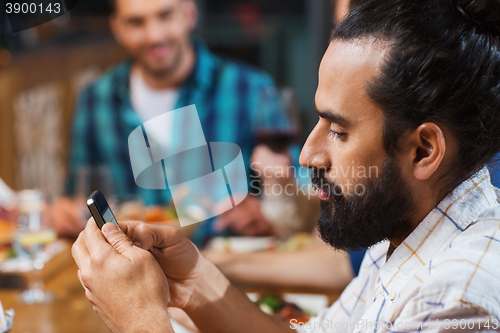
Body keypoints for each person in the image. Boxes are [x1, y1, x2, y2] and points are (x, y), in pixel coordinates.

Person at [72, 0, 500, 332]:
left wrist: (140, 321)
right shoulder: (406, 229)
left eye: (338, 130)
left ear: (424, 151)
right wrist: (195, 278)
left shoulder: (454, 297)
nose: (307, 155)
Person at [54, 0, 313, 242]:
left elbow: (299, 191)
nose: (154, 35)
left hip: (228, 267)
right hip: (131, 267)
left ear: (189, 13)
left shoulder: (249, 89)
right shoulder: (95, 99)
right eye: (136, 22)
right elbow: (80, 192)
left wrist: (268, 211)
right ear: (117, 28)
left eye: (165, 16)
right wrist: (65, 211)